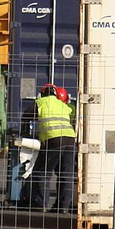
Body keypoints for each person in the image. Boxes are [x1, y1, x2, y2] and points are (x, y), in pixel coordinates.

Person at [32, 82, 77, 215]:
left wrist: (25, 131)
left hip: (54, 139)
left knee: (42, 172)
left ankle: (41, 205)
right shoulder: (63, 105)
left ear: (42, 93)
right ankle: (63, 207)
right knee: (66, 175)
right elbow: (71, 119)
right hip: (70, 138)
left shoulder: (40, 102)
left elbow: (27, 115)